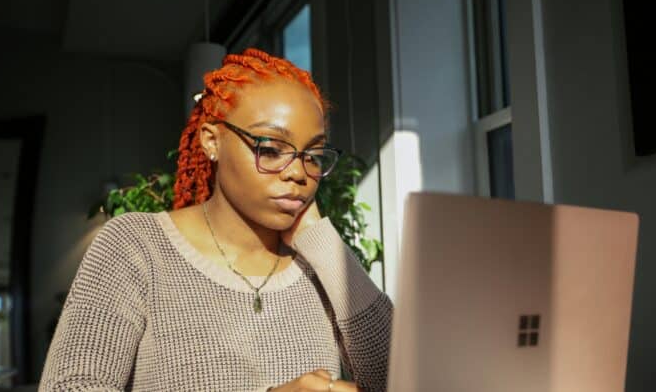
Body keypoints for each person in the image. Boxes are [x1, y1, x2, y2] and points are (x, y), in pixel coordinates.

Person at [39, 48, 392, 391]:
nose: (298, 173)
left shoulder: (318, 264)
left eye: (313, 155)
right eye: (270, 149)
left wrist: (319, 237)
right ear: (212, 141)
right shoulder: (137, 246)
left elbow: (398, 378)